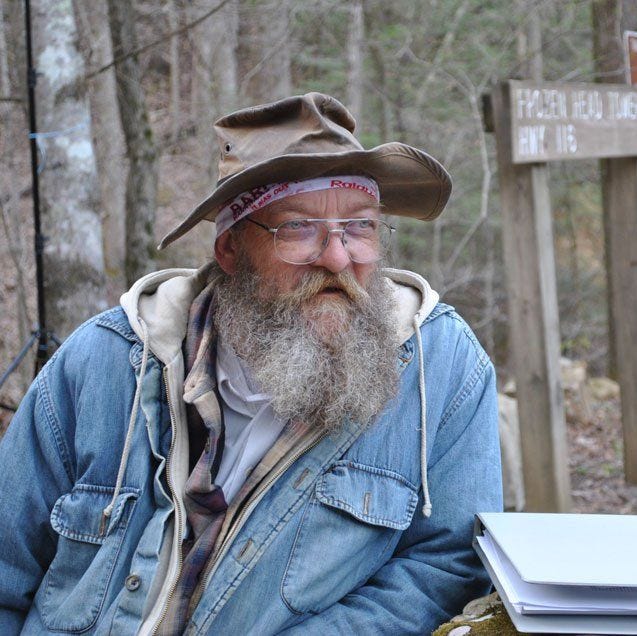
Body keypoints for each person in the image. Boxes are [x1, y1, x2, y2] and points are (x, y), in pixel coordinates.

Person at [0, 92, 502, 635]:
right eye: (298, 228)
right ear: (230, 249)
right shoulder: (104, 361)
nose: (337, 257)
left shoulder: (439, 367)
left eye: (360, 227)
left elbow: (447, 566)